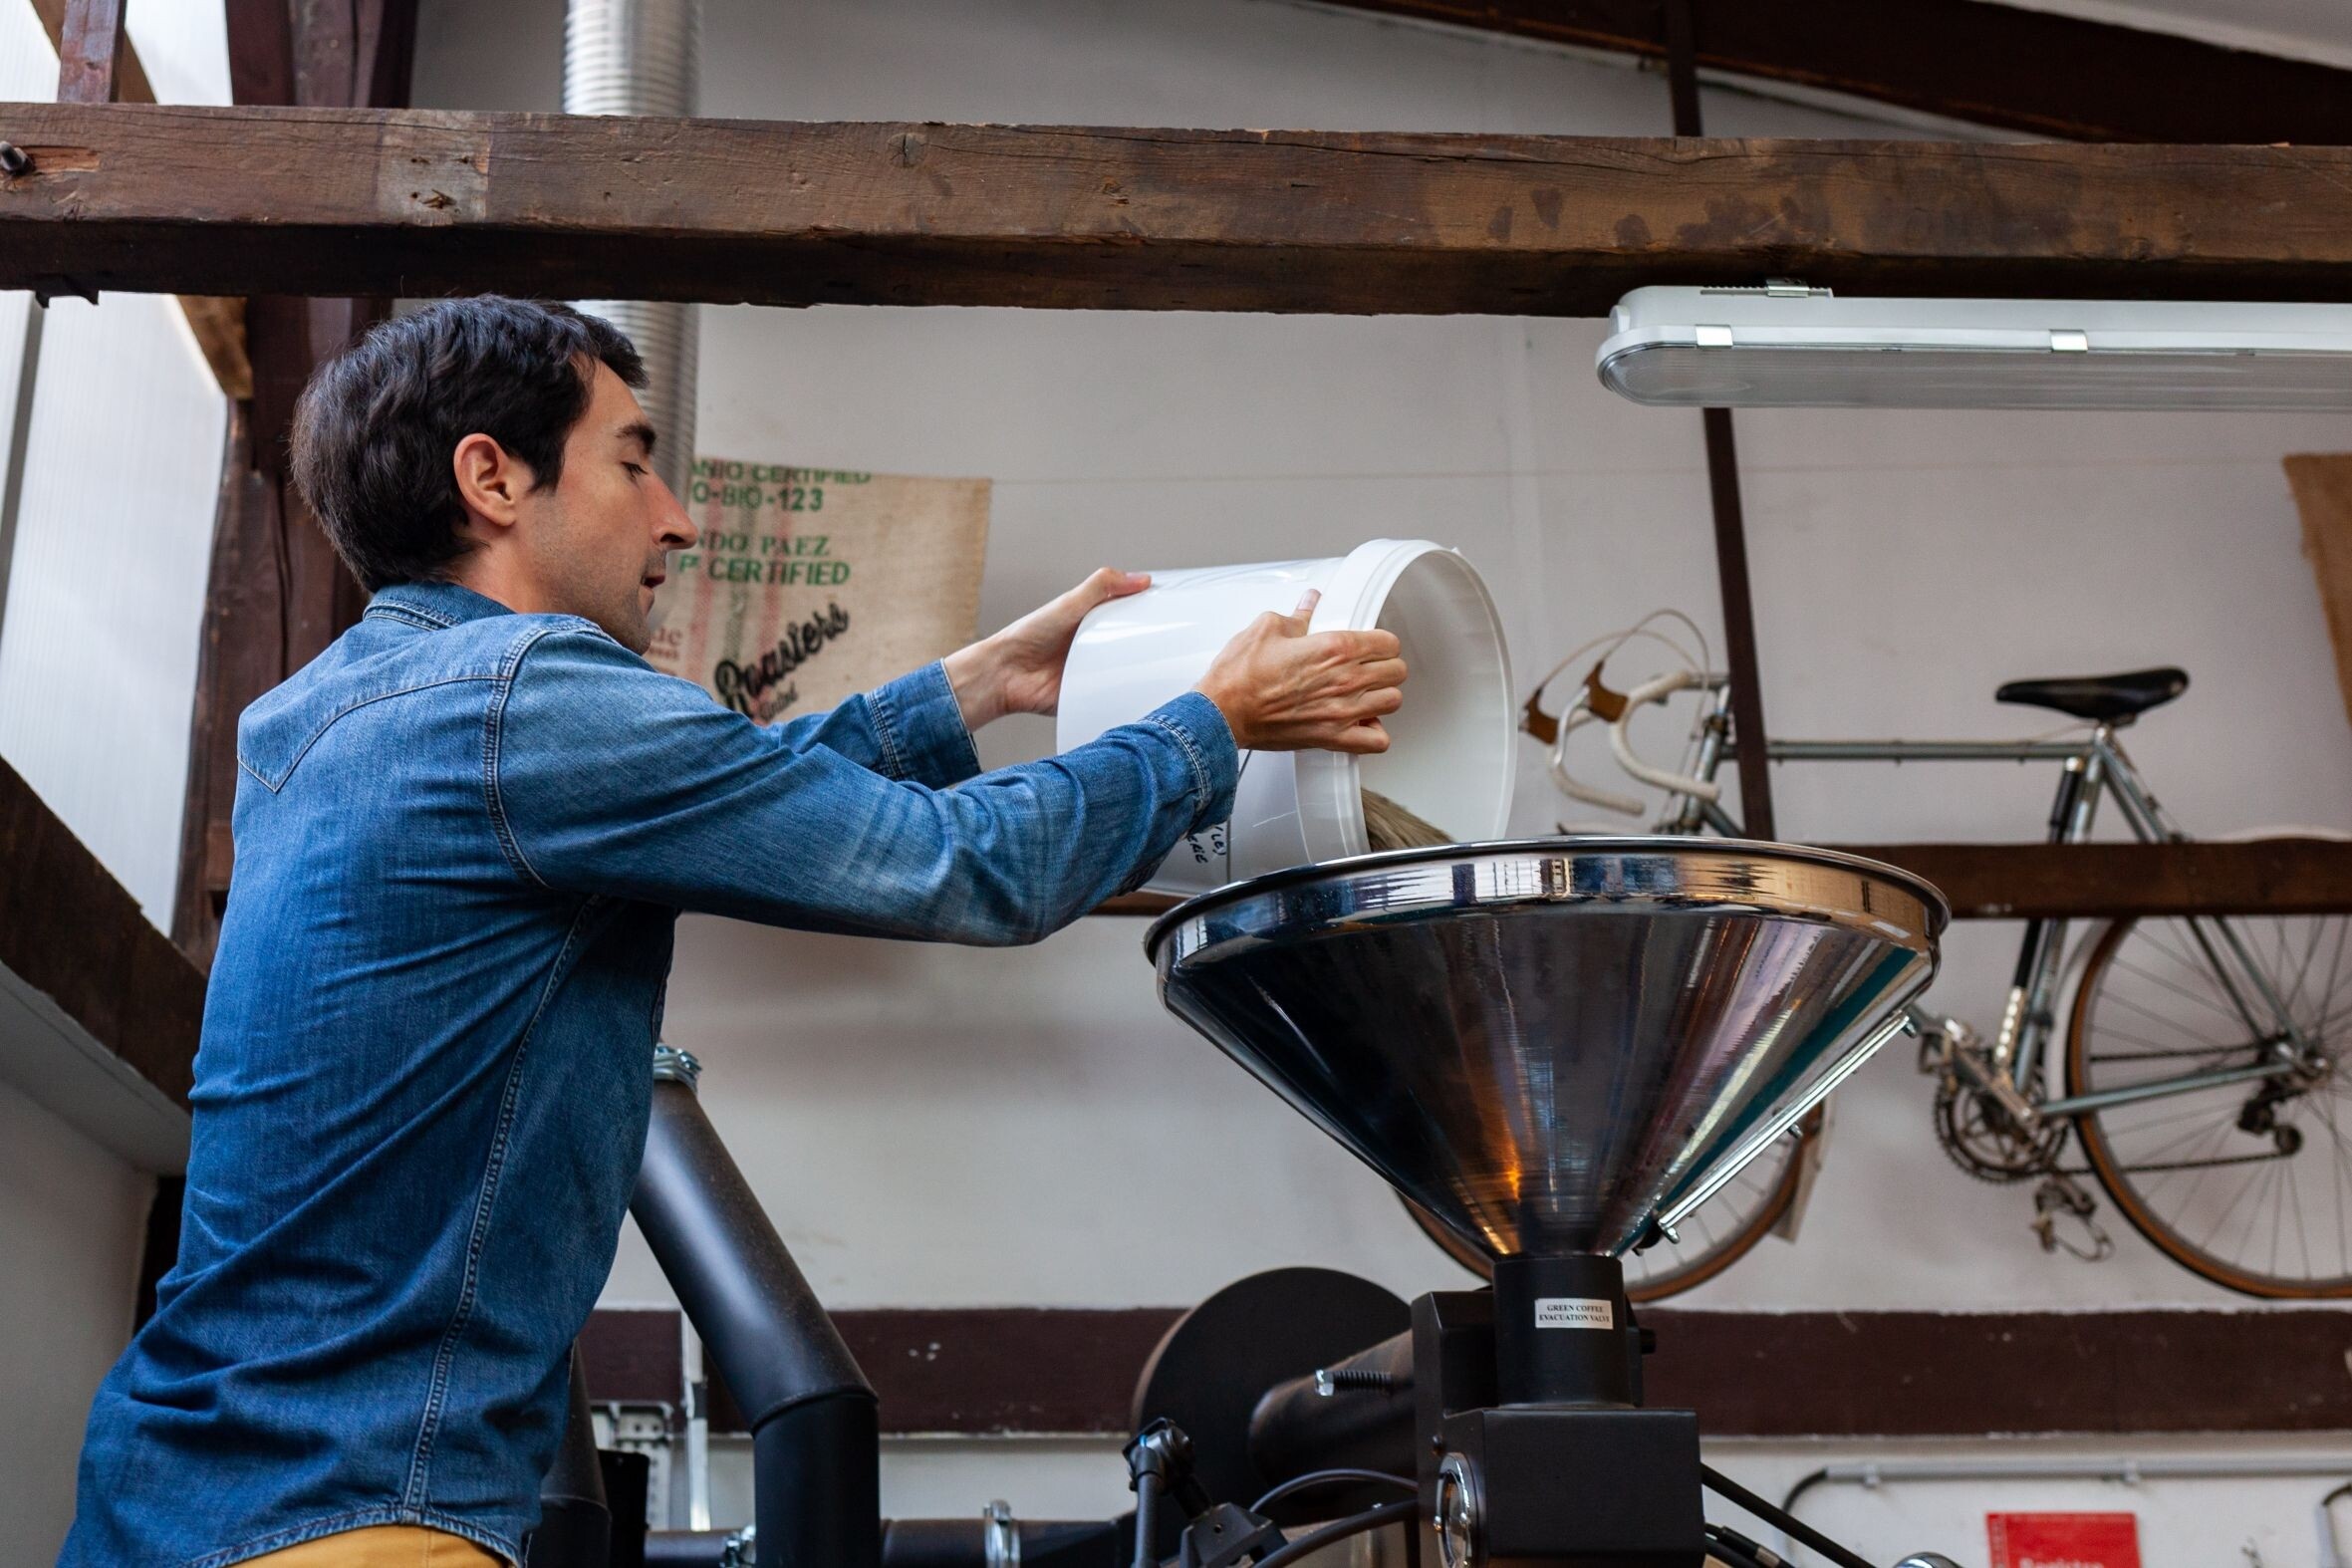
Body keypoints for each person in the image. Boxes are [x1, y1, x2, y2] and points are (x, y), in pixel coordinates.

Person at [59, 297, 1405, 1568]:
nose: (680, 517)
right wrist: (1210, 723)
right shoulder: (531, 698)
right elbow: (971, 869)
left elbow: (729, 784)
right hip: (352, 1516)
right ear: (494, 478)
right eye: (634, 462)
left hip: (164, 1495)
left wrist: (978, 684)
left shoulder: (329, 712)